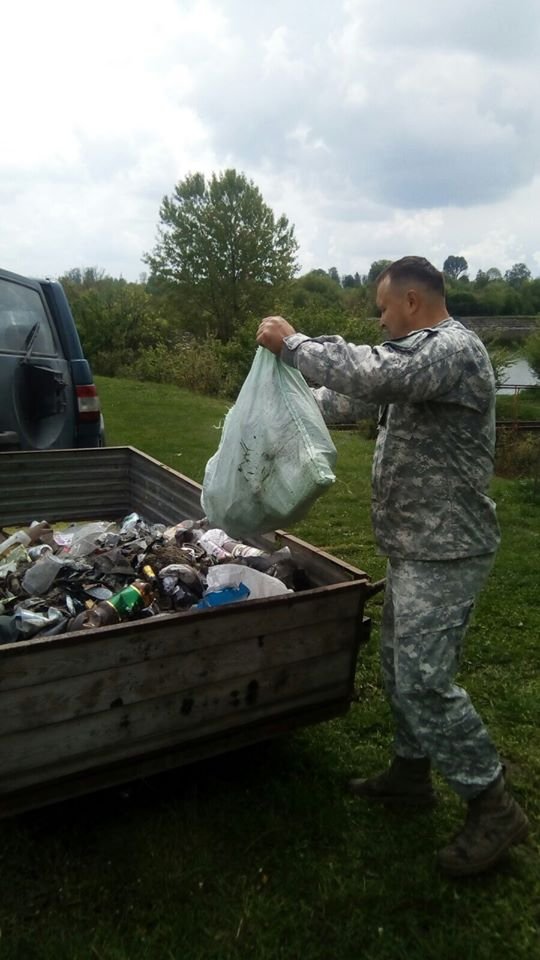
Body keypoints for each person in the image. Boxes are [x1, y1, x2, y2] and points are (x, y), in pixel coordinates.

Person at [256, 255, 529, 877]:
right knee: (401, 666)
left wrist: (296, 343)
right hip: (415, 544)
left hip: (448, 548)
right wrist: (286, 401)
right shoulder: (418, 364)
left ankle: (493, 805)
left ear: (411, 302)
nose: (378, 321)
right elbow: (356, 397)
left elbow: (373, 374)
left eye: (381, 308)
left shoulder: (451, 350)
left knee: (426, 679)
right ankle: (410, 776)